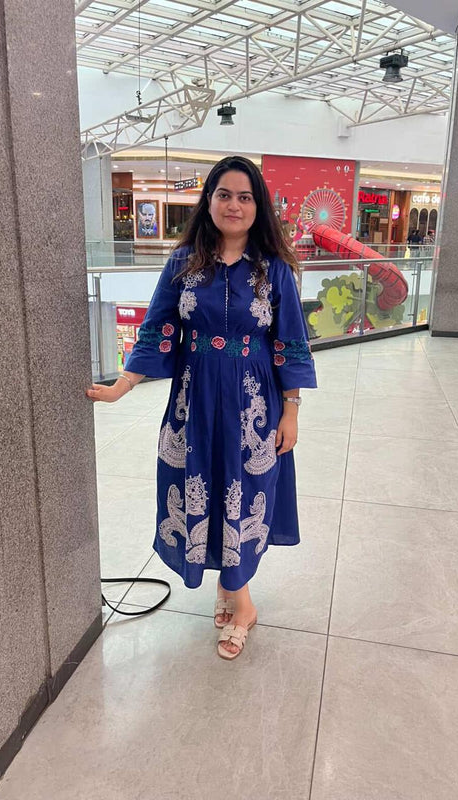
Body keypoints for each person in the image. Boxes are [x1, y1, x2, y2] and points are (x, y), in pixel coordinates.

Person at [87, 156, 317, 660]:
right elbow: (158, 327)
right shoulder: (184, 263)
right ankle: (230, 590)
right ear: (208, 199)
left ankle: (243, 602)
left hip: (254, 403)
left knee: (243, 489)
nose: (233, 205)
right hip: (195, 401)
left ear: (258, 207)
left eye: (245, 196)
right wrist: (123, 385)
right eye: (224, 194)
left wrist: (291, 410)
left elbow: (290, 342)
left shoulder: (274, 271)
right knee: (201, 487)